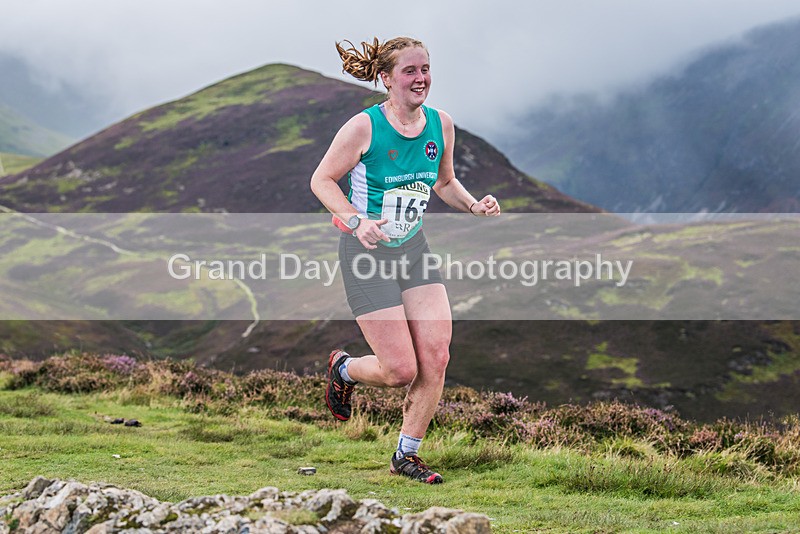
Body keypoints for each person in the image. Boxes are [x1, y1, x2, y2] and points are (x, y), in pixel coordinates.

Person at [310, 36, 500, 484]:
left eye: (426, 69)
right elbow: (322, 181)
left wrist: (473, 205)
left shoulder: (442, 124)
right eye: (410, 71)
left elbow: (445, 182)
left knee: (436, 356)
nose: (421, 79)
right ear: (386, 78)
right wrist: (357, 221)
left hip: (413, 251)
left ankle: (406, 455)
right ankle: (344, 368)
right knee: (400, 371)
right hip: (366, 255)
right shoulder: (363, 127)